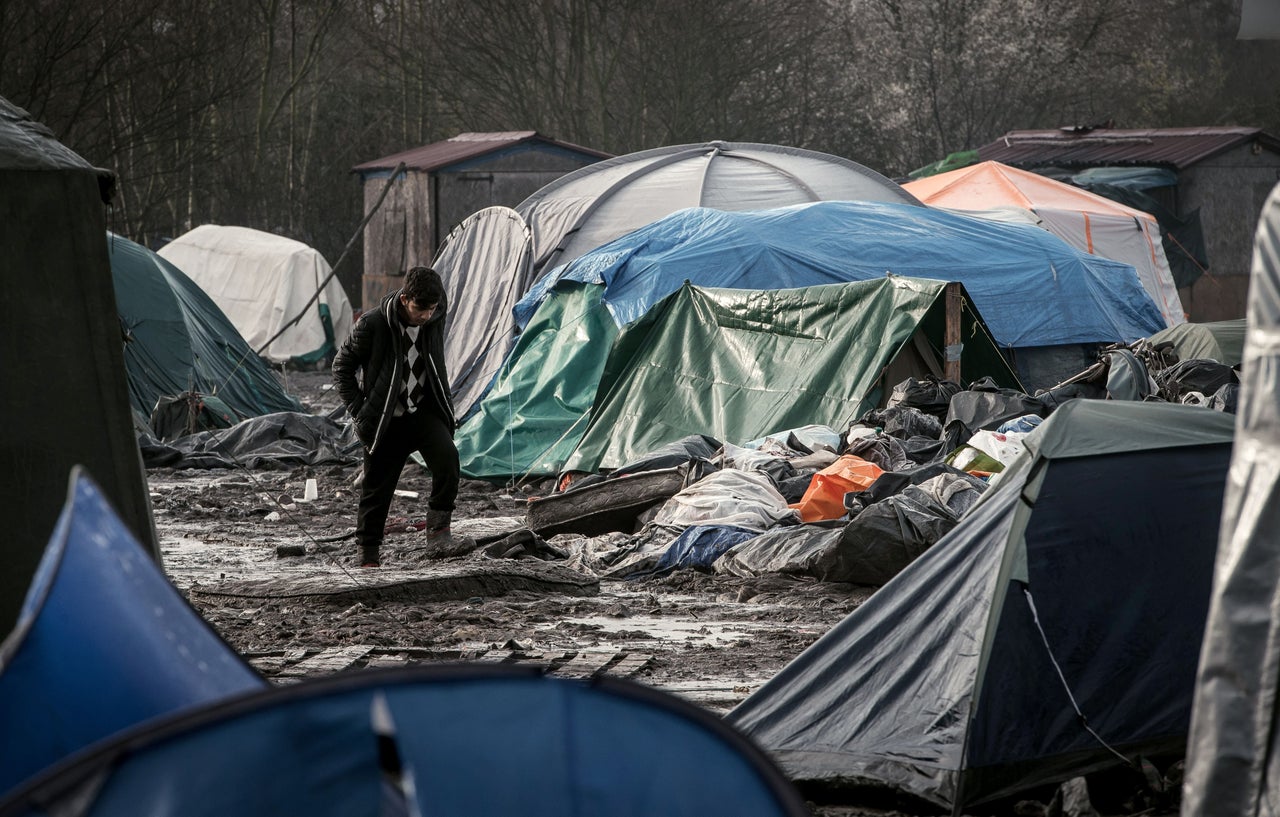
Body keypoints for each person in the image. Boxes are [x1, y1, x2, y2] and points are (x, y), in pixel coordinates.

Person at [332, 266, 462, 567]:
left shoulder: (435, 317)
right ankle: (368, 555)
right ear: (405, 300)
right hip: (385, 420)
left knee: (448, 461)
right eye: (420, 309)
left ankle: (439, 534)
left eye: (431, 309)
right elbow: (341, 368)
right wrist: (361, 412)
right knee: (376, 490)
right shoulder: (373, 325)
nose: (426, 316)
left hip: (423, 412)